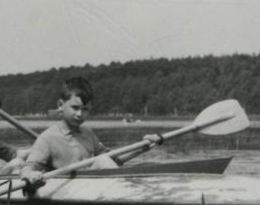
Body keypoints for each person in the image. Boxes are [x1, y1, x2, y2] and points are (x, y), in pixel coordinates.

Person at [20, 77, 160, 187]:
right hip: (68, 191)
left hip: (94, 188)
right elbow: (28, 168)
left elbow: (115, 160)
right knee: (102, 160)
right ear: (60, 105)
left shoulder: (88, 133)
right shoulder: (47, 138)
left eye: (85, 109)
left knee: (146, 166)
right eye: (75, 108)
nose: (80, 114)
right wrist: (31, 176)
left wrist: (143, 146)